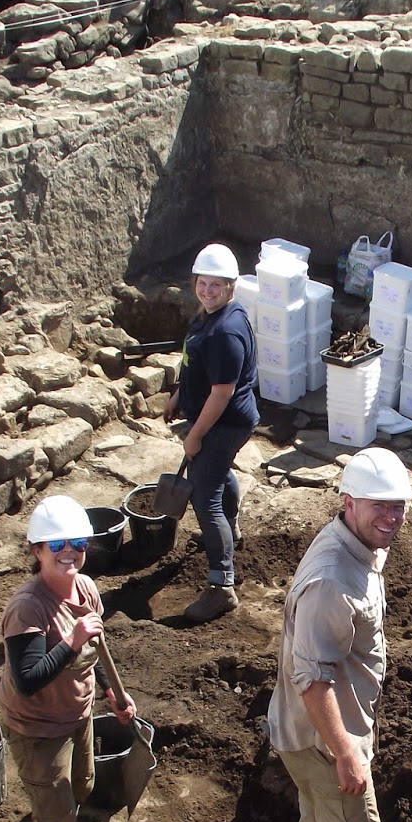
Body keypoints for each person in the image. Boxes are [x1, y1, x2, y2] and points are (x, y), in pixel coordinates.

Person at [267, 448, 411, 822]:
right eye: (380, 507)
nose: (391, 518)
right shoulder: (332, 579)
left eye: (399, 508)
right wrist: (347, 752)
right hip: (324, 740)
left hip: (313, 736)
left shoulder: (362, 543)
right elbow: (312, 678)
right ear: (348, 502)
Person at [0, 496, 136, 822]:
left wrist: (114, 694)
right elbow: (30, 678)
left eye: (78, 543)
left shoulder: (86, 589)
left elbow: (97, 654)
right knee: (54, 815)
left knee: (82, 786)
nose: (69, 552)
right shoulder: (28, 608)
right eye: (57, 544)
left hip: (77, 714)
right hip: (38, 726)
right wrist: (73, 640)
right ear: (37, 549)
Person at [164, 243, 260, 624]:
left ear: (231, 287)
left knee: (206, 500)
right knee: (218, 474)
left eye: (216, 285)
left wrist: (195, 435)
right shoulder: (209, 316)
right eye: (202, 283)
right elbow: (196, 368)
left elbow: (222, 393)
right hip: (216, 419)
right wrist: (178, 395)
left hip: (224, 424)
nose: (207, 291)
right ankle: (231, 530)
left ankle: (222, 586)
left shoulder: (225, 332)